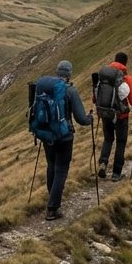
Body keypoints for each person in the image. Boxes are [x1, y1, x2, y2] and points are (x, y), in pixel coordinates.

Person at [42, 60, 93, 221]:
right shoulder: (70, 91)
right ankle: (52, 208)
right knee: (61, 170)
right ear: (69, 74)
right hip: (64, 137)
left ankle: (52, 199)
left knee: (51, 166)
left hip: (47, 136)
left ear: (57, 72)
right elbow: (81, 119)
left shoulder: (46, 89)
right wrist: (90, 118)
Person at [95, 52, 132, 182]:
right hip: (121, 116)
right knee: (121, 142)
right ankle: (116, 173)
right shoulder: (126, 78)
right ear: (125, 63)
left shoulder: (104, 75)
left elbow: (96, 96)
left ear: (114, 60)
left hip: (106, 114)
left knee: (108, 139)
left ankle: (103, 163)